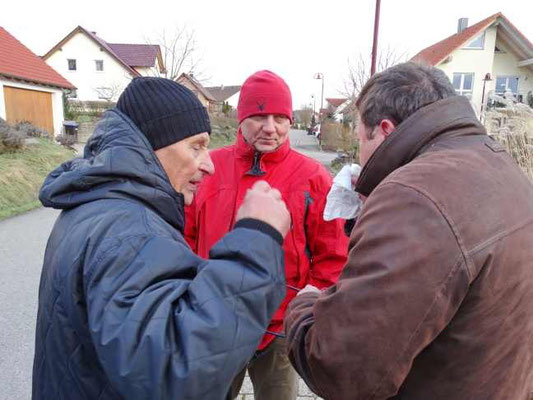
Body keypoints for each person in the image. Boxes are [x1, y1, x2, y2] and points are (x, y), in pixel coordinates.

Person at [285, 62, 533, 400]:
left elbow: (343, 370)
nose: (360, 155)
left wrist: (305, 306)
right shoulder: (498, 162)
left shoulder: (413, 195)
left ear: (385, 130)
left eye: (361, 140)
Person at [33, 77, 291, 400]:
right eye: (196, 146)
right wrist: (257, 237)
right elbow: (177, 368)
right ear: (152, 145)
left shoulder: (99, 206)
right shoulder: (127, 232)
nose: (208, 164)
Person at [185, 70, 348, 400]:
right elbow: (184, 237)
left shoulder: (313, 177)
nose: (270, 127)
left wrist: (304, 305)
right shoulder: (208, 168)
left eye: (280, 117)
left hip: (279, 329)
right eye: (259, 115)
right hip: (213, 322)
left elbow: (333, 253)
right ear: (242, 118)